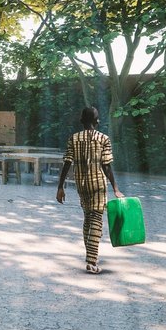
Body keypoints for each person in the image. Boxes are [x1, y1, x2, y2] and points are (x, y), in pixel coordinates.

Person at [56, 106, 124, 274]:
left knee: (88, 218)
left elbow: (67, 163)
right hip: (98, 185)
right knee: (96, 220)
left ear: (81, 121)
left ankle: (90, 255)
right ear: (97, 121)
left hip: (82, 185)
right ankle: (92, 261)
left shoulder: (74, 138)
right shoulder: (103, 139)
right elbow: (106, 166)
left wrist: (60, 187)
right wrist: (115, 188)